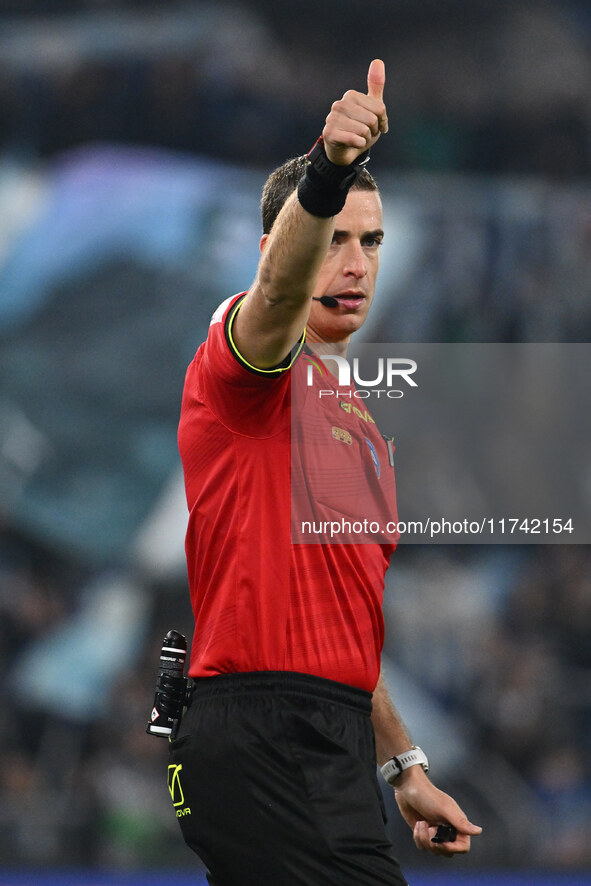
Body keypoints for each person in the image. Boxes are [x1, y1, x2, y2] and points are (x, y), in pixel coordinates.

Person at [172, 59, 481, 885]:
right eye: (334, 238)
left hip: (328, 737)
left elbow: (343, 627)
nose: (355, 264)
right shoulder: (245, 371)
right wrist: (327, 169)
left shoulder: (361, 431)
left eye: (371, 241)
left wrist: (402, 764)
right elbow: (273, 299)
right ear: (276, 248)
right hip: (262, 728)